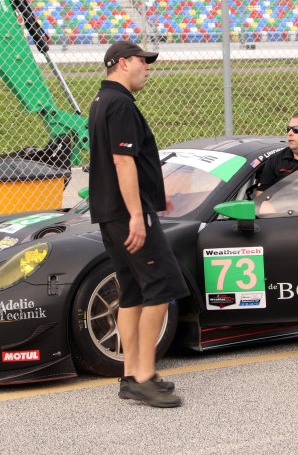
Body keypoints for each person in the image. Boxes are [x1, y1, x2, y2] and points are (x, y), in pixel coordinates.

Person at [88, 40, 189, 408]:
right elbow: (123, 162)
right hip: (126, 214)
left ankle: (131, 374)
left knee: (131, 291)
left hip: (111, 212)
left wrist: (151, 198)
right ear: (123, 63)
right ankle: (146, 376)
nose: (149, 68)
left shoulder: (102, 101)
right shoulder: (120, 104)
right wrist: (137, 214)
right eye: (143, 62)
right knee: (162, 287)